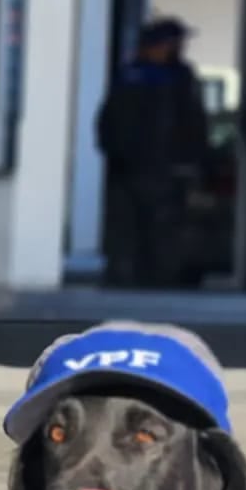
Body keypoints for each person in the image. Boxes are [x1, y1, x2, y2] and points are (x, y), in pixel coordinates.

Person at [97, 16, 210, 289]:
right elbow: (109, 123)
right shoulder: (145, 77)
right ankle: (133, 280)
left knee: (162, 232)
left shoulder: (172, 76)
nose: (180, 48)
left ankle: (157, 282)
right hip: (136, 170)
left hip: (161, 170)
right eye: (174, 43)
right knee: (133, 231)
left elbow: (194, 125)